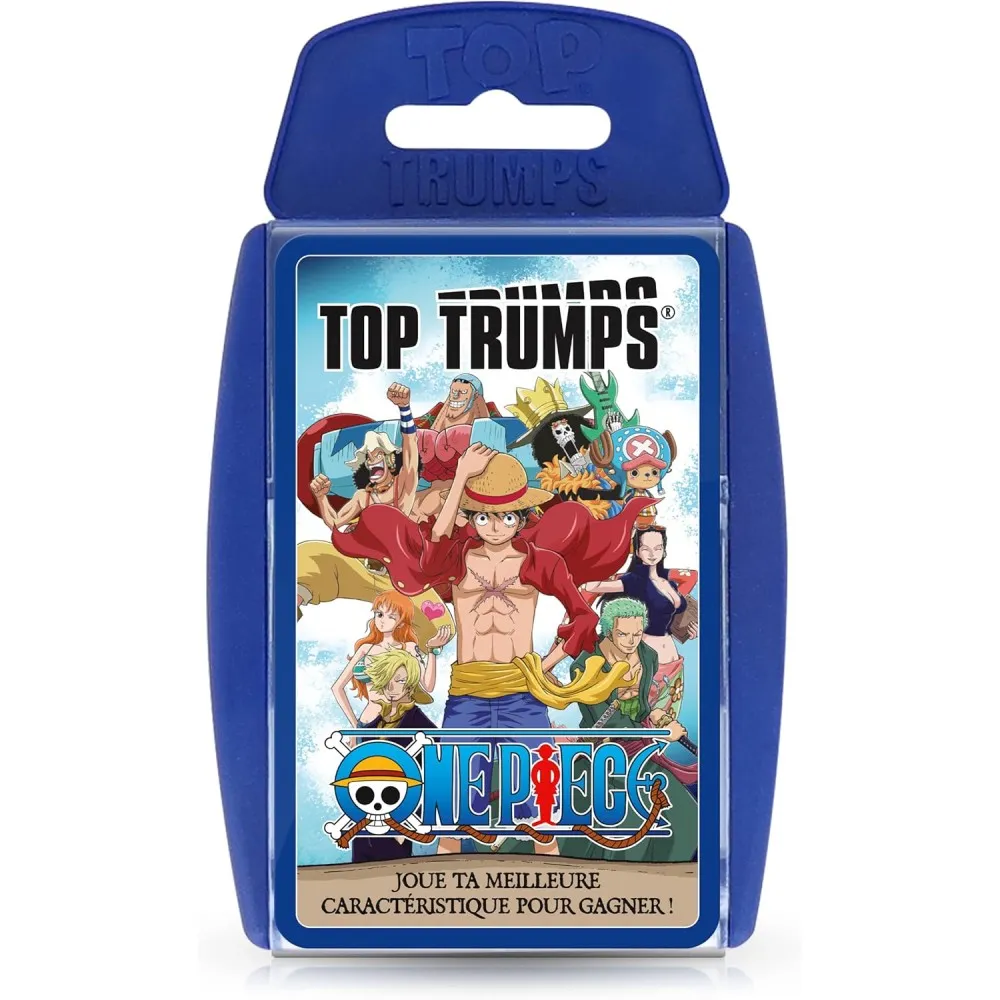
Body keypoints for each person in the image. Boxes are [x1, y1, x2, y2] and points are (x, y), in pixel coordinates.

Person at [558, 597, 698, 863]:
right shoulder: (586, 664)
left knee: (686, 819)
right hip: (601, 754)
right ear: (609, 630)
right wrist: (659, 733)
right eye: (623, 634)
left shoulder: (647, 656)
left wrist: (657, 716)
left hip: (639, 752)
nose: (631, 641)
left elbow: (642, 707)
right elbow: (606, 721)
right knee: (615, 826)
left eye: (636, 634)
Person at [582, 525, 697, 724]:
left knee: (668, 723)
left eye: (658, 548)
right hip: (645, 663)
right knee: (643, 720)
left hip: (673, 662)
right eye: (646, 548)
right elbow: (592, 586)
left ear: (664, 550)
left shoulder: (669, 583)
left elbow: (676, 608)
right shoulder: (633, 580)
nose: (652, 554)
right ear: (637, 552)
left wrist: (690, 628)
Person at [349, 649, 437, 864]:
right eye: (389, 679)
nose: (392, 687)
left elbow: (433, 777)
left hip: (398, 822)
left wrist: (407, 824)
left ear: (411, 684)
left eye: (400, 681)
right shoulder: (374, 724)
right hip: (366, 821)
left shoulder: (421, 726)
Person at [331, 591, 451, 728]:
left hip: (405, 718)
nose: (382, 620)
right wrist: (354, 726)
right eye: (379, 614)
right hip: (371, 720)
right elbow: (337, 687)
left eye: (391, 617)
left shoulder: (409, 648)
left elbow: (428, 686)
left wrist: (431, 651)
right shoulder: (366, 649)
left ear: (401, 623)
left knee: (438, 741)